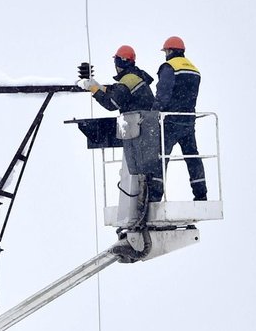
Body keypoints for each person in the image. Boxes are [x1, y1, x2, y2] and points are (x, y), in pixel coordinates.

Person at [81, 45, 164, 224]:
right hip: (146, 127)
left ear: (119, 62)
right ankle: (143, 206)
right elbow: (118, 94)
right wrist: (98, 87)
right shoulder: (134, 77)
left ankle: (141, 210)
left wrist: (93, 91)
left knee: (140, 171)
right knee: (146, 170)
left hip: (140, 129)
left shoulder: (128, 79)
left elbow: (113, 102)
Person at [155, 36, 207, 201]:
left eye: (166, 51)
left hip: (170, 121)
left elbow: (163, 94)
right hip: (188, 121)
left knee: (161, 158)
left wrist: (153, 113)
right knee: (192, 157)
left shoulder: (169, 67)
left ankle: (155, 197)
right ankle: (201, 194)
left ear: (169, 51)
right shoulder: (194, 69)